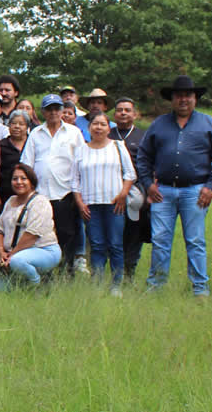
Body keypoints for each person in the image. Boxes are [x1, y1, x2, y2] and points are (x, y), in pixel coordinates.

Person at [135, 76, 212, 296]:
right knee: (159, 241)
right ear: (172, 99)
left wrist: (211, 186)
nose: (183, 100)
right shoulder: (158, 124)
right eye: (179, 96)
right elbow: (143, 156)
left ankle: (200, 288)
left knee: (195, 240)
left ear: (195, 98)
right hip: (163, 192)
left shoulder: (208, 124)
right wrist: (148, 184)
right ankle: (156, 287)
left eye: (188, 95)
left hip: (196, 191)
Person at [20, 94, 86, 274]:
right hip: (41, 194)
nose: (53, 112)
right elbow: (27, 163)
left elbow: (81, 162)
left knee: (67, 233)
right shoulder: (35, 134)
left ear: (62, 110)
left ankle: (67, 270)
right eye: (49, 109)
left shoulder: (73, 133)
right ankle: (46, 270)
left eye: (57, 108)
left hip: (66, 192)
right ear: (42, 112)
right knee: (42, 235)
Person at [72, 111, 136, 293]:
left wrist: (123, 194)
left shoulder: (117, 146)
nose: (98, 127)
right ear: (89, 128)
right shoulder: (81, 149)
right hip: (90, 205)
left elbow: (130, 174)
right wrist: (79, 203)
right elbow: (74, 180)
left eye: (102, 124)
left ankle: (116, 284)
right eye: (95, 124)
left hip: (114, 204)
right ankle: (98, 283)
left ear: (109, 128)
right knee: (97, 244)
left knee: (115, 244)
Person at [0, 164, 61, 290]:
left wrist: (11, 255)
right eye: (15, 179)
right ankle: (21, 282)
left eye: (23, 178)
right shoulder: (10, 201)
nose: (19, 182)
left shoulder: (40, 202)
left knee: (17, 262)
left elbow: (32, 234)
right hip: (14, 253)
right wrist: (1, 251)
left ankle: (37, 285)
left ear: (32, 181)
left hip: (43, 250)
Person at [109, 97, 149, 282]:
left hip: (136, 191)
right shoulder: (107, 135)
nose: (123, 113)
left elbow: (150, 164)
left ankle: (130, 270)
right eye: (119, 110)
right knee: (114, 231)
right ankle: (114, 269)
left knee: (134, 232)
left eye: (127, 110)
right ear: (114, 114)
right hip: (110, 191)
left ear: (135, 114)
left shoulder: (143, 136)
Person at [0, 111, 30, 218]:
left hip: (28, 194)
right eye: (13, 123)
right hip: (5, 193)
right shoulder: (1, 145)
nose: (17, 127)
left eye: (21, 124)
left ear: (27, 127)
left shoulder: (32, 143)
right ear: (8, 125)